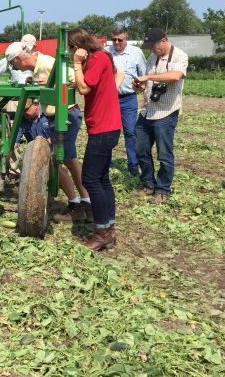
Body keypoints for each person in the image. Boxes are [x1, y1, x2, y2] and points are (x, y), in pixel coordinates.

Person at [7, 42, 92, 221]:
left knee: (56, 161)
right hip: (56, 116)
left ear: (19, 59)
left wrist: (53, 84)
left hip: (65, 115)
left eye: (13, 64)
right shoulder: (37, 67)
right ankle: (86, 202)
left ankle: (77, 204)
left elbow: (75, 79)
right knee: (70, 161)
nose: (15, 68)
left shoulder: (46, 62)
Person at [68, 28, 122, 251]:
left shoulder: (98, 59)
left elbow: (84, 87)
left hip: (103, 126)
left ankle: (102, 233)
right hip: (107, 125)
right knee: (102, 178)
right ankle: (108, 227)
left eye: (71, 48)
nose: (70, 52)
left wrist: (77, 65)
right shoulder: (102, 58)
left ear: (78, 47)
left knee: (90, 179)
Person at [133, 28, 189, 204]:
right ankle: (148, 184)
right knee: (140, 148)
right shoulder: (152, 57)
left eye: (153, 45)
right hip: (148, 110)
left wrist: (148, 77)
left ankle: (163, 190)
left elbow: (176, 76)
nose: (151, 49)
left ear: (163, 41)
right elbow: (149, 82)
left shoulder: (180, 56)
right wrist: (140, 87)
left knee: (164, 153)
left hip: (166, 112)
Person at [107, 26, 147, 176]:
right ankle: (107, 162)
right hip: (110, 98)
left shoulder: (136, 53)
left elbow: (144, 75)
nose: (116, 42)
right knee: (109, 131)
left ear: (126, 38)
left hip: (128, 98)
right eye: (114, 39)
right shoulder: (106, 52)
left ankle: (133, 165)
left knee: (130, 132)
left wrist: (142, 90)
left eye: (120, 39)